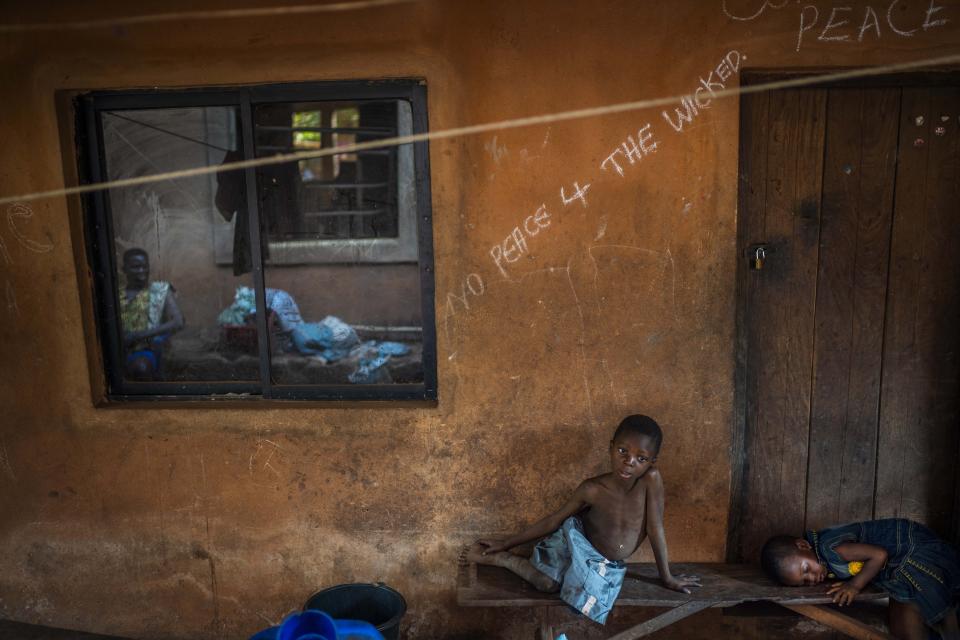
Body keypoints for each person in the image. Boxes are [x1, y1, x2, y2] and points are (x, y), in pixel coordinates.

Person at [462, 415, 700, 625]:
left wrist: (666, 577)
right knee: (547, 585)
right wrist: (507, 543)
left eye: (641, 458)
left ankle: (535, 559)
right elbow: (555, 520)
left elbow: (655, 528)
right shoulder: (592, 489)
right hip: (575, 542)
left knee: (580, 598)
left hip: (601, 563)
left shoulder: (651, 480)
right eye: (622, 451)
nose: (629, 461)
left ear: (652, 462)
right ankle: (504, 559)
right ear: (611, 448)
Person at [761, 519, 960, 639]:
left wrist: (854, 586)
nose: (812, 578)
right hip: (899, 565)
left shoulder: (831, 548)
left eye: (806, 569)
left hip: (913, 552)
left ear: (803, 545)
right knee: (902, 624)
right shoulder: (823, 560)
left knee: (938, 604)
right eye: (804, 581)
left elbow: (879, 555)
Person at [118, 248, 184, 380]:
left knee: (141, 368)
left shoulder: (159, 290)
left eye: (144, 266)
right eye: (136, 267)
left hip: (145, 348)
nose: (141, 271)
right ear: (124, 269)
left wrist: (139, 335)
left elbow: (178, 321)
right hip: (119, 349)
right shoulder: (117, 294)